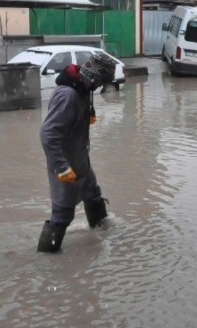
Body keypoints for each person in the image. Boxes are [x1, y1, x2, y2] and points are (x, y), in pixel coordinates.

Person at [37, 53, 117, 253]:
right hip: (66, 164)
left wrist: (87, 113)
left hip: (81, 159)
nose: (99, 86)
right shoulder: (68, 95)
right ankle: (48, 257)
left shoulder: (81, 88)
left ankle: (101, 232)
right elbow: (48, 134)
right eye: (100, 81)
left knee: (93, 194)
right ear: (92, 75)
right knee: (62, 212)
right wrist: (61, 166)